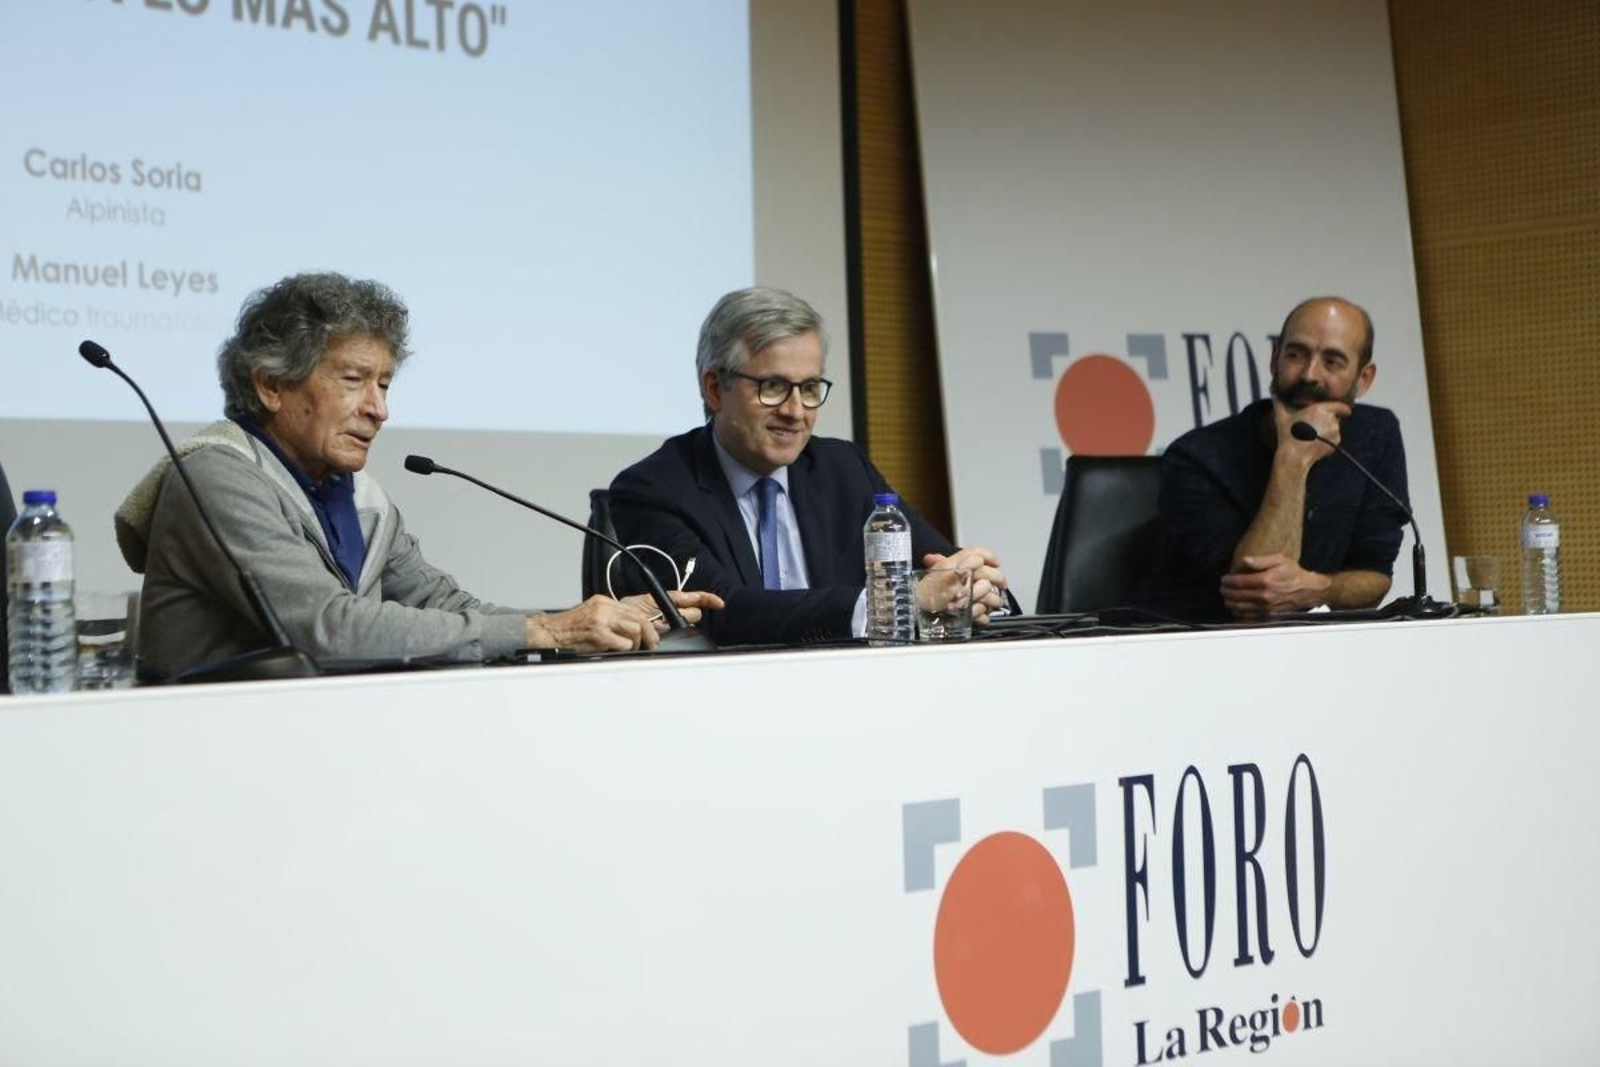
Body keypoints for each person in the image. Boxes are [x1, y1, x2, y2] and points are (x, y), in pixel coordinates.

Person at [116, 273, 719, 679]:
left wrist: (598, 617)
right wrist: (549, 629)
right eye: (354, 380)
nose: (379, 409)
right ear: (272, 385)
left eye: (384, 384)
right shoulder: (217, 477)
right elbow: (328, 629)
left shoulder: (358, 498)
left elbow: (449, 608)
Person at [608, 286, 1007, 645]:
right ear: (715, 389)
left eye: (810, 388)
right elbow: (720, 610)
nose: (796, 411)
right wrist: (896, 604)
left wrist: (972, 586)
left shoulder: (842, 469)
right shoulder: (653, 489)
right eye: (773, 387)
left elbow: (940, 566)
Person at [1136, 296, 1410, 622]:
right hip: (1192, 638)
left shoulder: (1377, 434)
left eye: (1332, 362)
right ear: (1274, 357)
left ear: (1364, 378)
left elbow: (1376, 575)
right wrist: (1293, 457)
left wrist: (1320, 589)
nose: (1310, 374)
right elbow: (1255, 599)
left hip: (1307, 641)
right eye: (1296, 354)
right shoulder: (1195, 457)